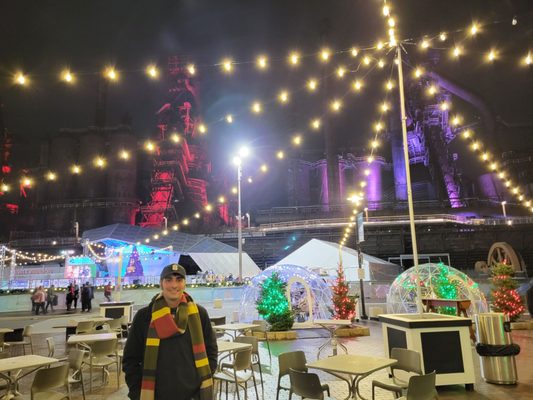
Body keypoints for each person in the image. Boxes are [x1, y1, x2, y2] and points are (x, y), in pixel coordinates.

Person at [123, 264, 217, 400]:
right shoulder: (145, 316)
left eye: (179, 280)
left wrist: (201, 385)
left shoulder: (199, 314)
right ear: (161, 283)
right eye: (168, 280)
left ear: (185, 283)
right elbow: (130, 360)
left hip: (193, 395)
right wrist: (137, 393)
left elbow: (211, 351)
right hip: (155, 395)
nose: (174, 285)